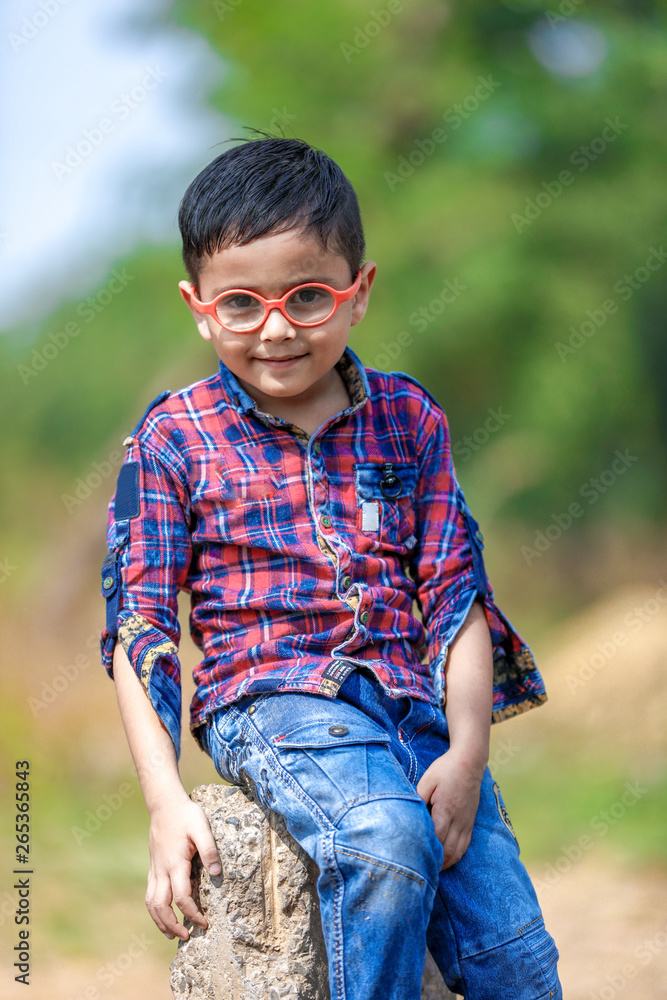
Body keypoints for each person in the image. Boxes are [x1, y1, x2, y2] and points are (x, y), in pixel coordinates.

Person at [101, 136, 562, 1000]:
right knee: (382, 839)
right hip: (273, 700)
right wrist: (165, 806)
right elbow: (139, 630)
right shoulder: (171, 441)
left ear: (359, 293)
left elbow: (456, 600)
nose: (275, 327)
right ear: (199, 308)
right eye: (241, 304)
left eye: (308, 296)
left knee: (518, 960)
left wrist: (466, 753)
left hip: (414, 713)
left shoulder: (409, 419)